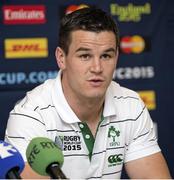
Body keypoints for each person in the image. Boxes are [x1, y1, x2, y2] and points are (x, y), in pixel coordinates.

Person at [5, 7, 171, 179]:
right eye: (85, 56)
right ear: (61, 58)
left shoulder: (131, 105)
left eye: (106, 56)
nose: (97, 68)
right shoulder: (30, 115)